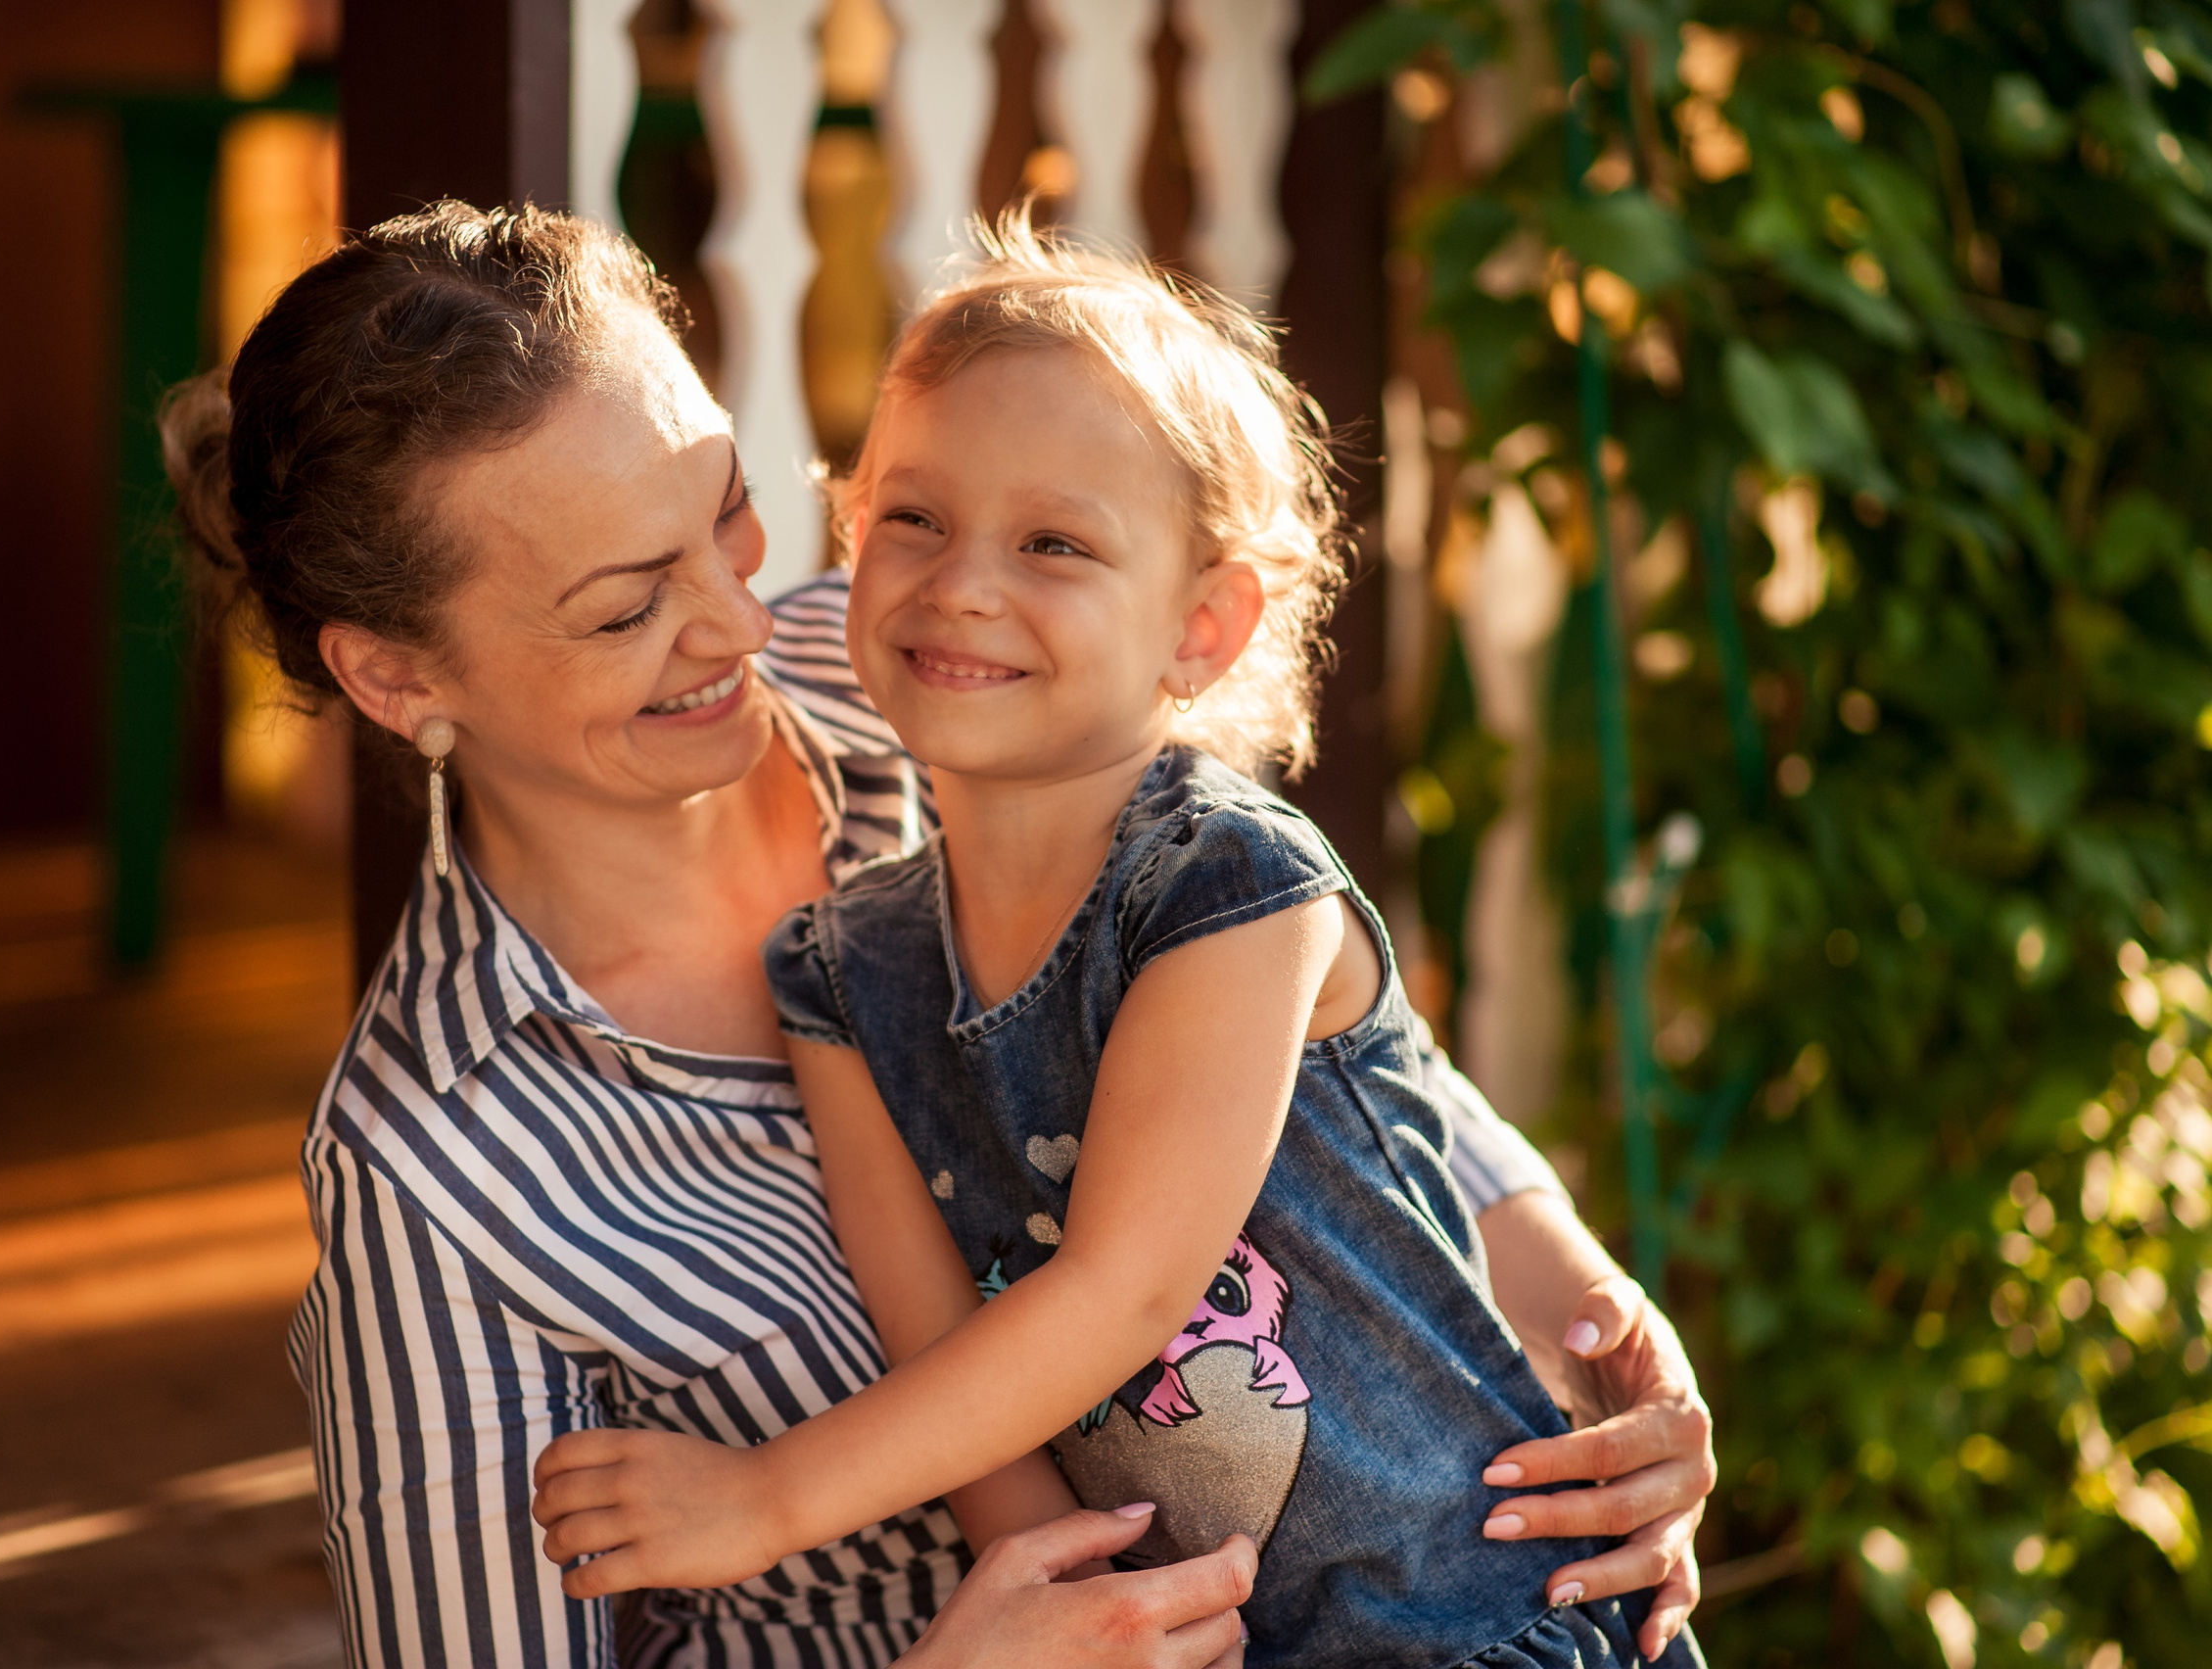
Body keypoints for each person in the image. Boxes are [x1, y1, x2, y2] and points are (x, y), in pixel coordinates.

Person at [162, 200, 1711, 1669]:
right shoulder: (430, 1169)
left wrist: (1598, 1333)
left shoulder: (934, 662)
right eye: (629, 608)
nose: (749, 626)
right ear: (396, 679)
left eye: (729, 517)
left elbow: (1341, 1071)